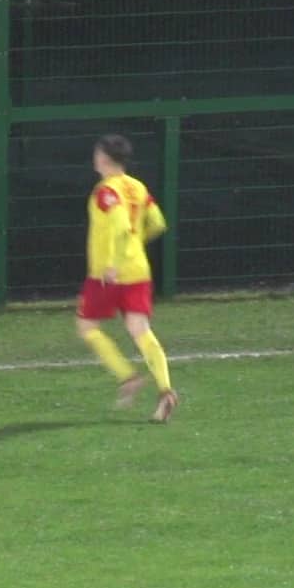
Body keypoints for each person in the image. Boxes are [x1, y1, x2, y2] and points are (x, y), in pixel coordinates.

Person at [76, 134, 179, 423]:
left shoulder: (106, 191)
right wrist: (134, 249)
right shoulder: (138, 187)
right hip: (139, 270)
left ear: (104, 158)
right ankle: (165, 391)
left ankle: (127, 378)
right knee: (141, 330)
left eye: (97, 153)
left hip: (107, 274)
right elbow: (157, 223)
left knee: (87, 328)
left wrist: (115, 263)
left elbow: (121, 226)